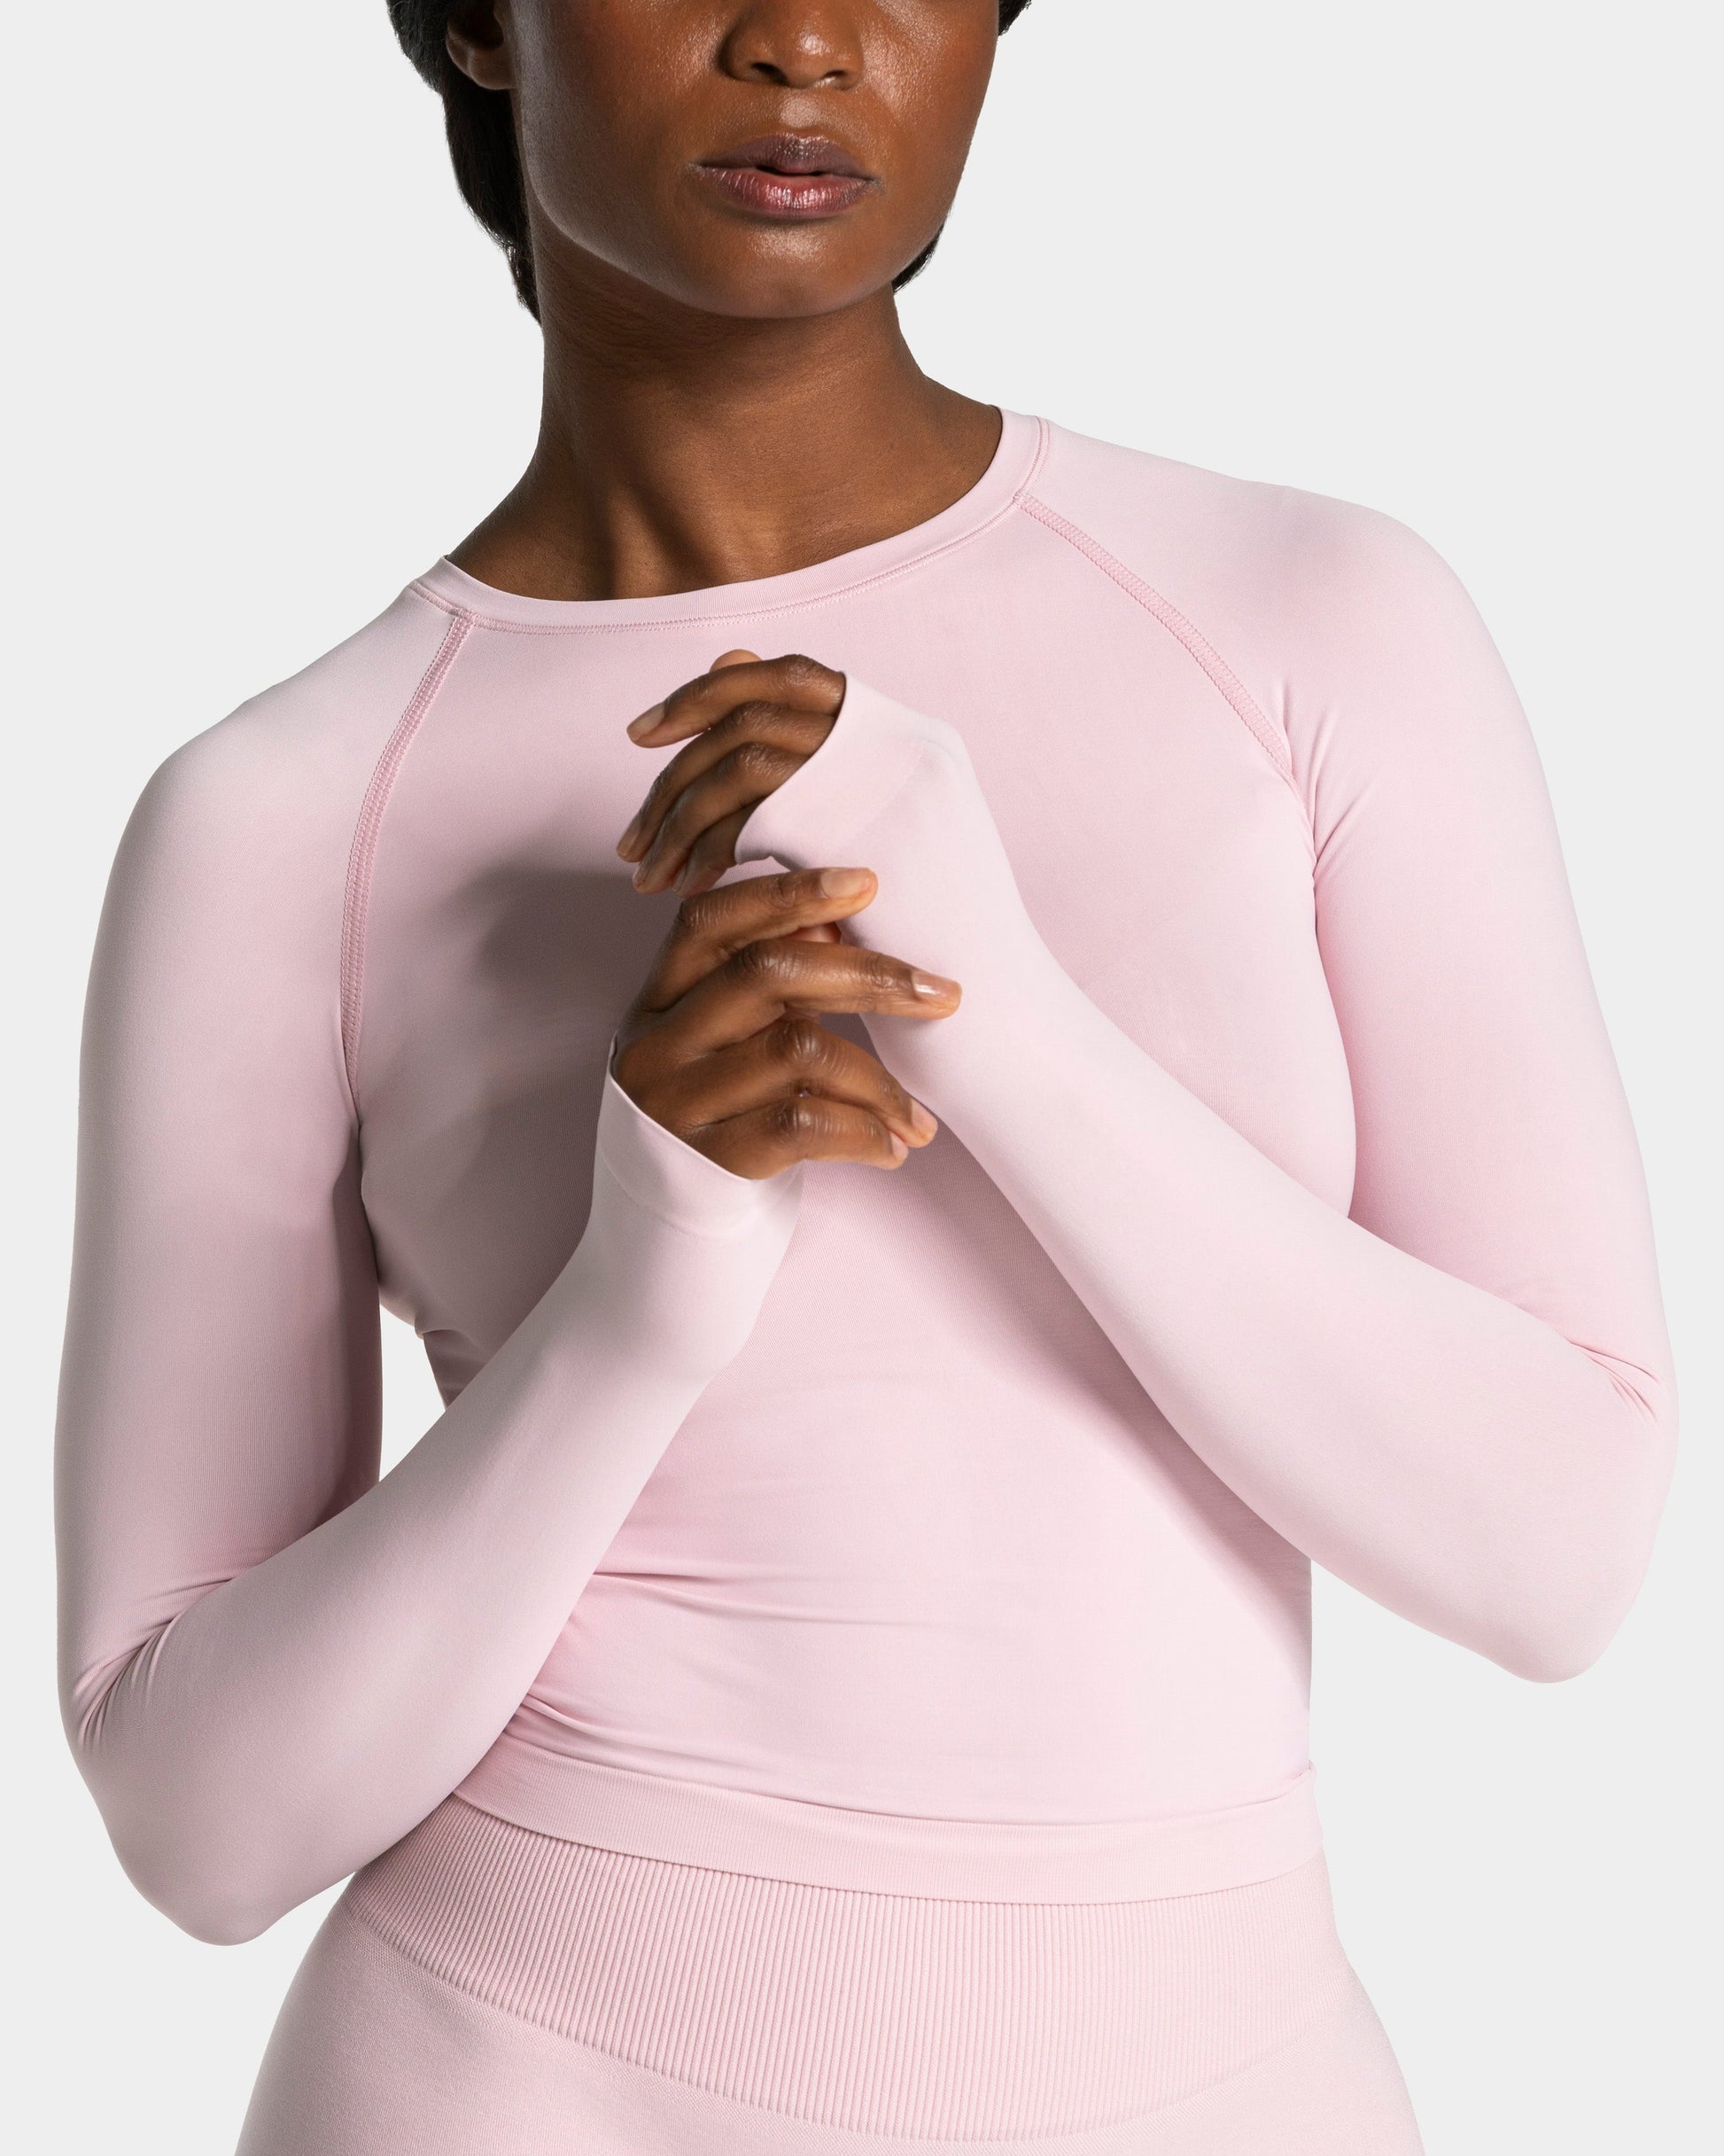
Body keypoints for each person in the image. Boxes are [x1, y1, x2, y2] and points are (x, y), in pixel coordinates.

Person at [53, 3, 1679, 2151]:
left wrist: (994, 1012)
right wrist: (638, 1292)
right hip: (520, 2083)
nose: (805, 36)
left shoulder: (1306, 621)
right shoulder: (286, 809)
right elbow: (201, 1821)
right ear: (469, 19)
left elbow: (1556, 1555)